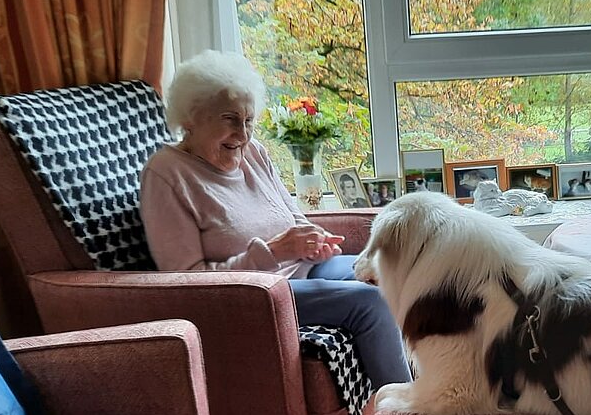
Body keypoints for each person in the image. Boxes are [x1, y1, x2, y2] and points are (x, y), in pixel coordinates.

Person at [139, 49, 411, 390]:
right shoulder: (166, 175)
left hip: (300, 270)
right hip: (252, 294)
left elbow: (291, 216)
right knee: (369, 302)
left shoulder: (253, 153)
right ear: (191, 117)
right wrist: (272, 252)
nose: (242, 133)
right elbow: (186, 282)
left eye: (249, 121)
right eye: (229, 119)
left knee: (390, 273)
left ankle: (438, 387)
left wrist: (314, 240)